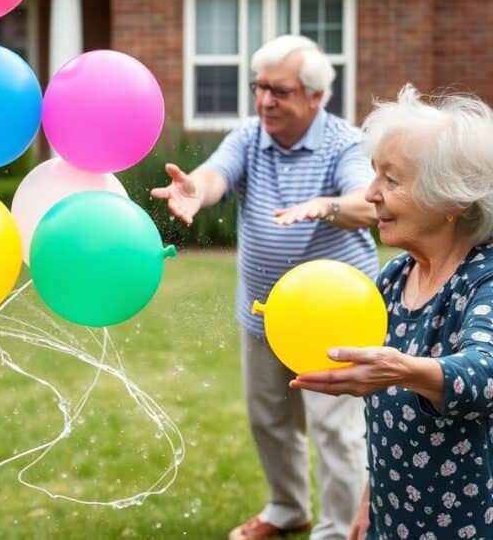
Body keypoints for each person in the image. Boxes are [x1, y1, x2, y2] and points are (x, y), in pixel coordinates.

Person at [151, 35, 379, 540]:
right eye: (259, 88)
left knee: (337, 432)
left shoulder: (345, 143)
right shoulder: (250, 136)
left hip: (331, 323)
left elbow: (368, 201)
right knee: (269, 420)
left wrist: (328, 206)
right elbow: (216, 175)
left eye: (280, 91)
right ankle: (286, 507)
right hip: (262, 314)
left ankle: (340, 529)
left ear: (315, 97)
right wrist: (196, 190)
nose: (265, 101)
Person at [291, 85, 493, 540]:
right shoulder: (394, 277)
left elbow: (486, 374)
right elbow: (386, 425)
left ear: (453, 199)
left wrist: (398, 370)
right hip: (392, 517)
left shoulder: (484, 278)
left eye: (392, 180)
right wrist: (369, 500)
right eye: (373, 175)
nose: (370, 193)